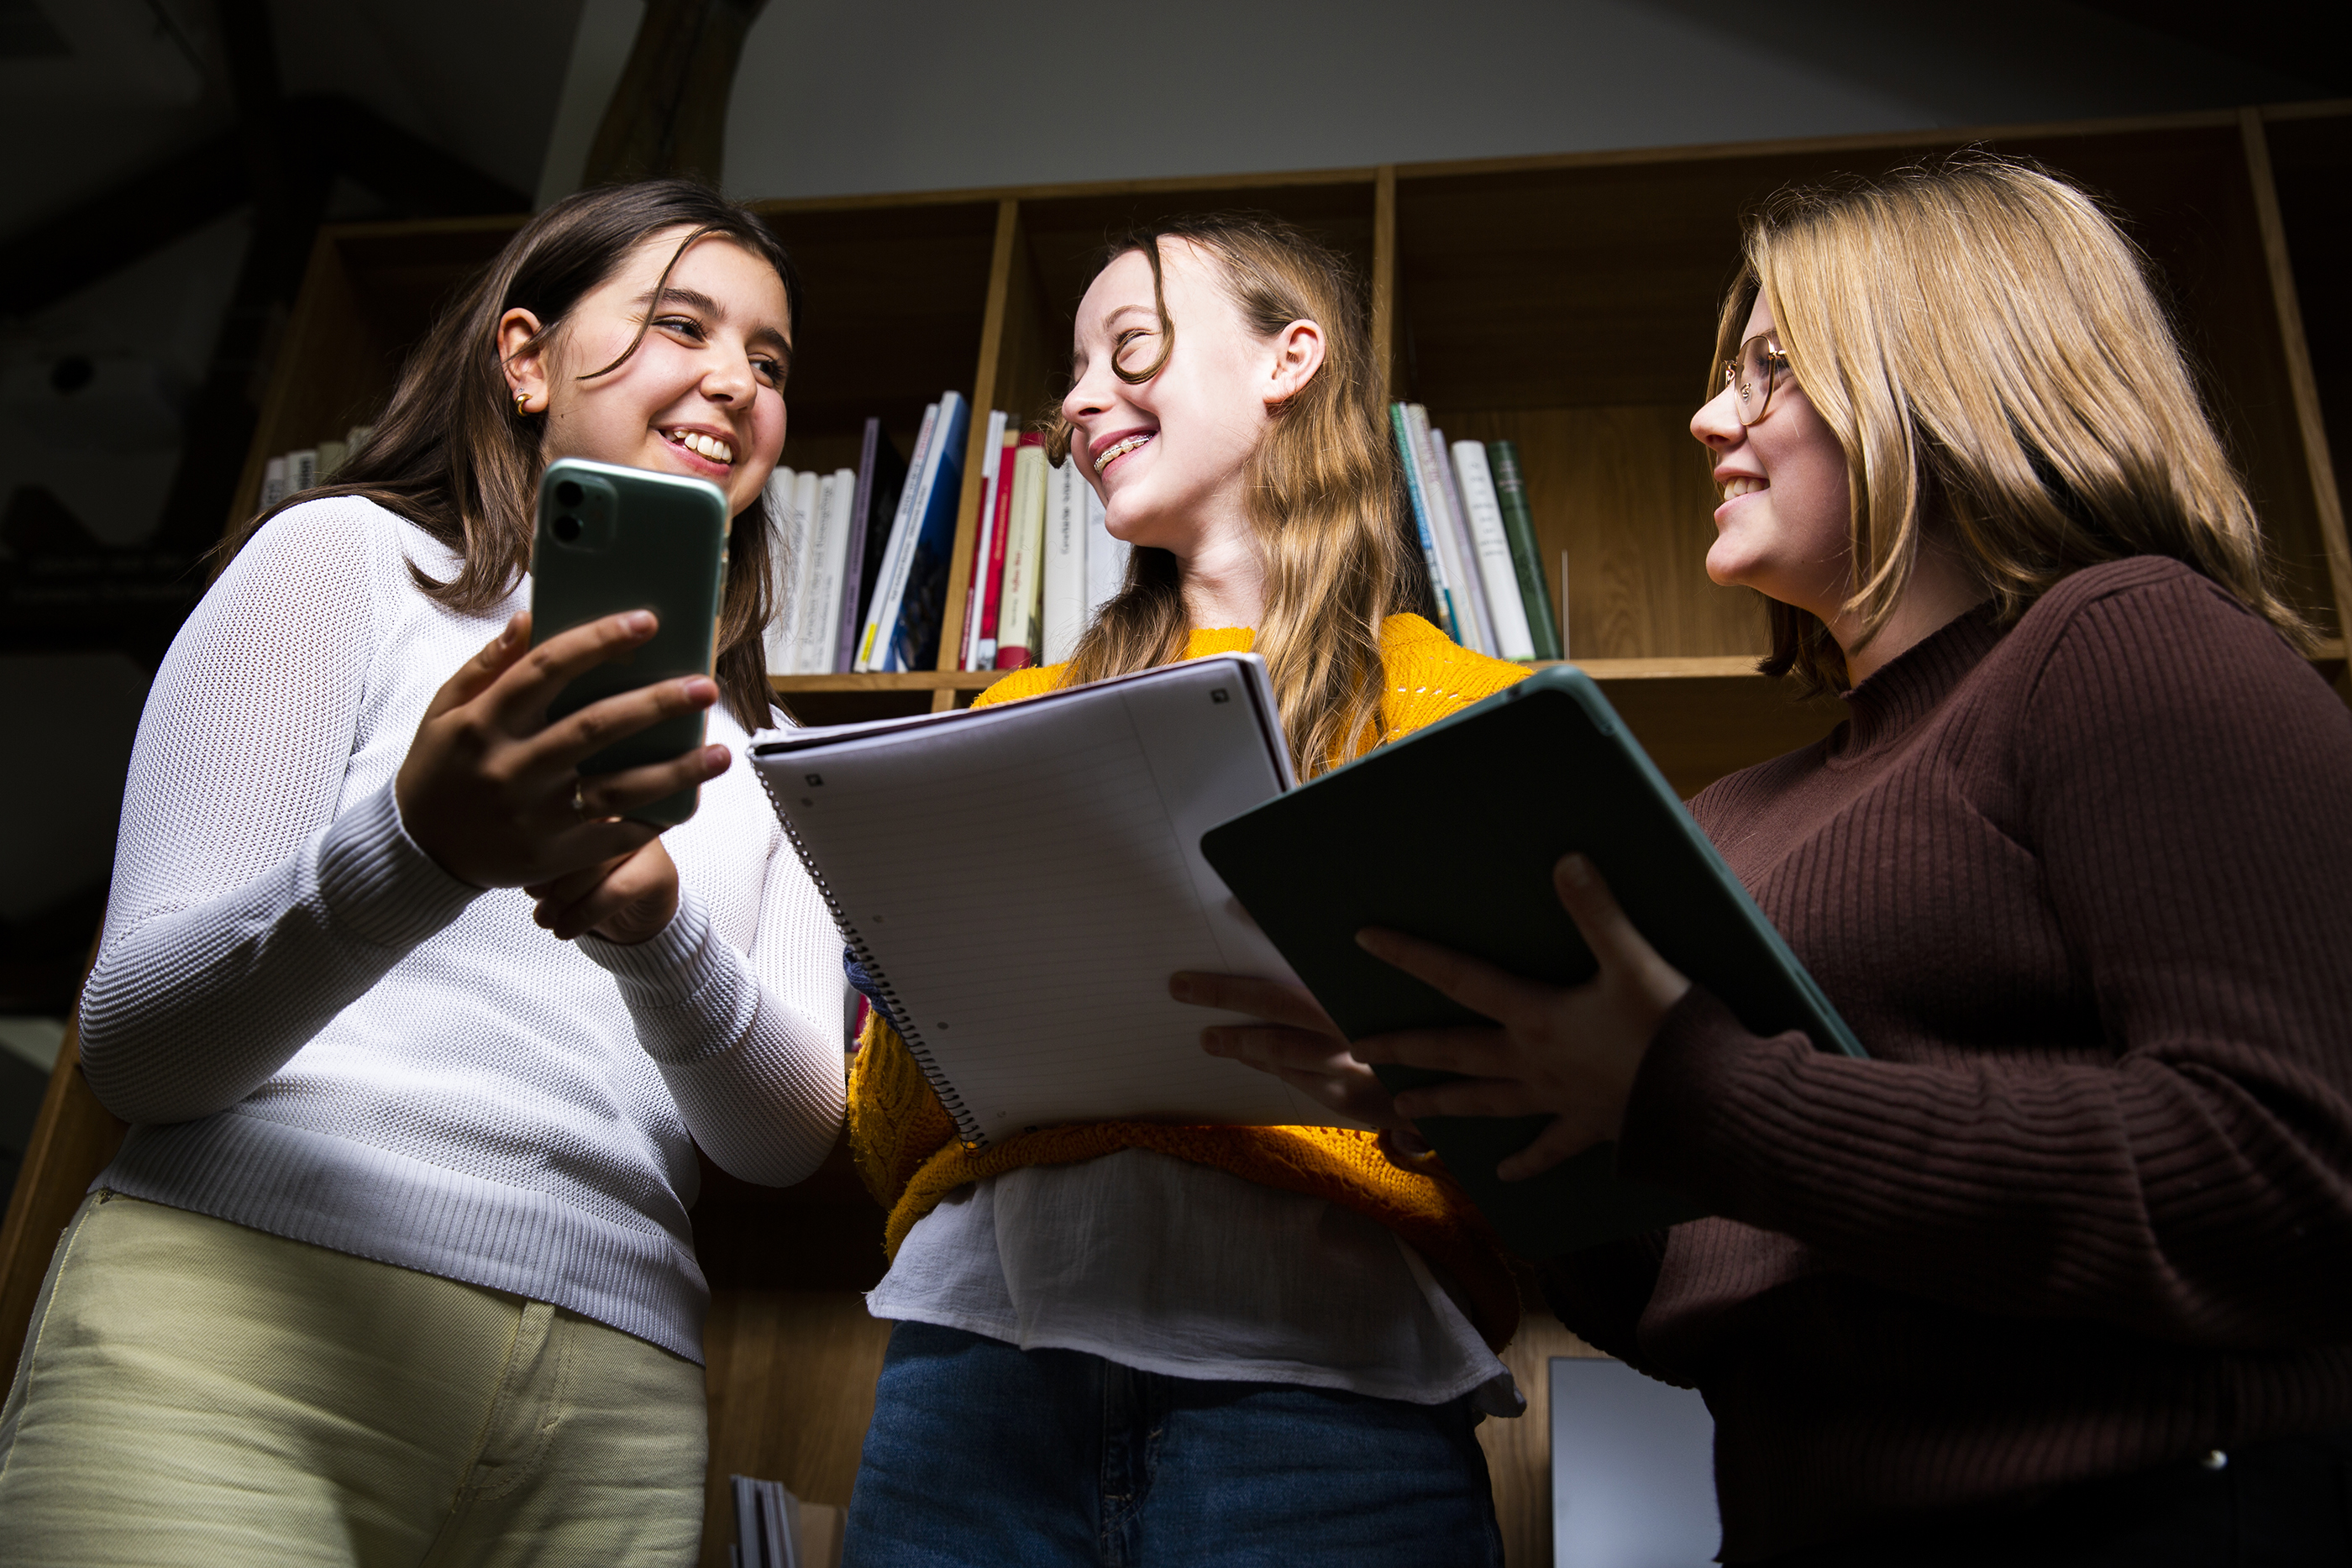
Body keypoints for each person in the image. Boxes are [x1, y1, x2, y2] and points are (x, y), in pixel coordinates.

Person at [1227, 159, 2352, 1564]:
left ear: (1948, 372)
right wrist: (1494, 1112)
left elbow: (2292, 1176)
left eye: (1769, 371)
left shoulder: (2127, 640)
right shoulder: (1737, 814)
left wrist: (1692, 1086)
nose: (1708, 417)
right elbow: (1693, 1308)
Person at [0, 181, 848, 1566]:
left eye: (768, 361)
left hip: (617, 1409)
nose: (733, 384)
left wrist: (655, 929)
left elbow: (783, 1135)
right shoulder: (344, 562)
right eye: (682, 325)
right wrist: (422, 850)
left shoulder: (775, 763)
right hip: (241, 1331)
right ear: (525, 360)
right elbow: (137, 1049)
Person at [841, 215, 1526, 1566]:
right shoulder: (1007, 715)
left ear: (1291, 359)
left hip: (1336, 1411)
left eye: (1132, 349)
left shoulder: (1465, 719)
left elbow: (1569, 1139)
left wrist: (1410, 1090)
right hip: (973, 1385)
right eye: (1074, 374)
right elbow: (885, 1142)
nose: (1082, 403)